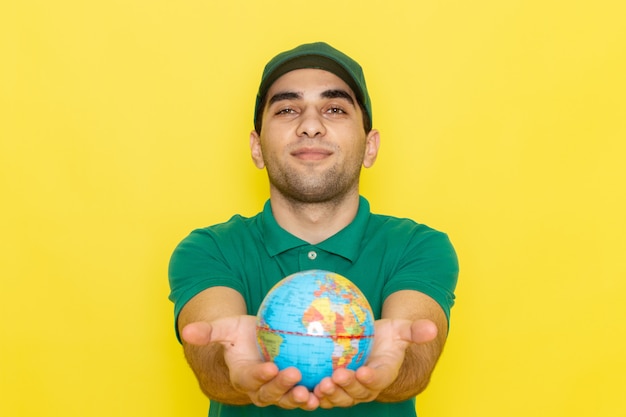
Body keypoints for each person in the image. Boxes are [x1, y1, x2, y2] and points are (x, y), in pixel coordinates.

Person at [168, 42, 459, 417]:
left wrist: (392, 369)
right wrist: (231, 367)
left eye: (334, 109)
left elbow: (414, 359)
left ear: (370, 148)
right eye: (288, 109)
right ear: (256, 148)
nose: (310, 126)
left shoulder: (418, 247)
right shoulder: (209, 248)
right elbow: (215, 365)